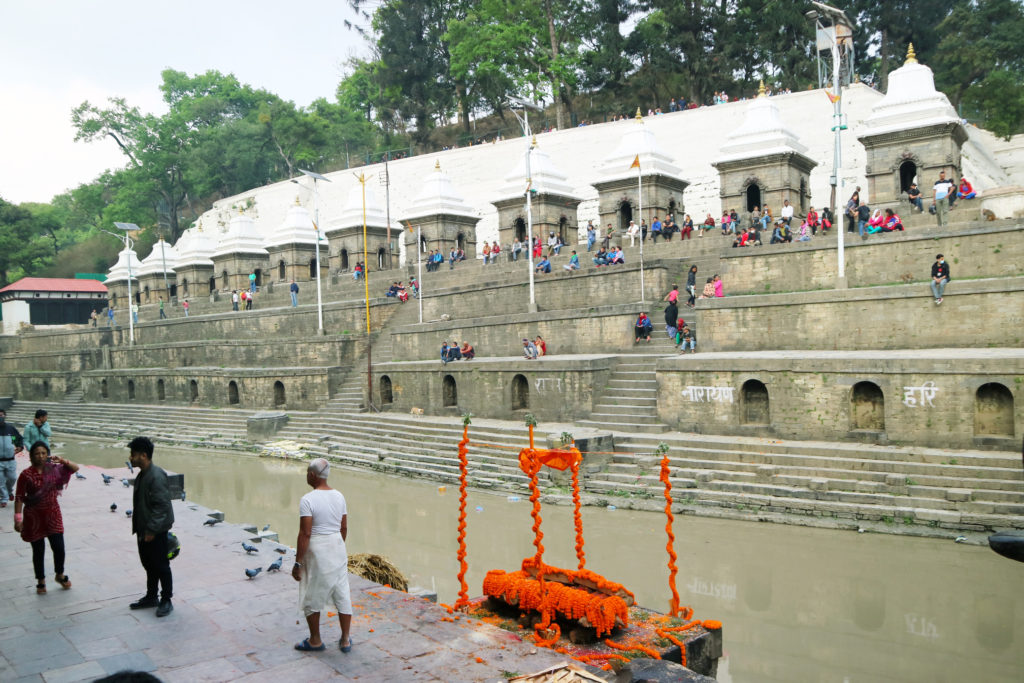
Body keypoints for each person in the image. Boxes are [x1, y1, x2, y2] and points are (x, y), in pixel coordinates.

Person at [292, 458, 353, 653]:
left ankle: (316, 640)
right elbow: (343, 527)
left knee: (312, 593)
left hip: (318, 548)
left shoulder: (308, 499)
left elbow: (305, 533)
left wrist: (298, 563)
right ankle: (345, 639)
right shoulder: (340, 496)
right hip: (337, 545)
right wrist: (337, 546)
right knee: (342, 592)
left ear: (312, 475)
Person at [14, 441, 79, 594]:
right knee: (38, 550)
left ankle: (59, 574)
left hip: (53, 514)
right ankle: (41, 580)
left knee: (59, 548)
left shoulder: (53, 469)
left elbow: (75, 468)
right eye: (37, 453)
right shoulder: (26, 475)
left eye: (44, 453)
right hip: (33, 517)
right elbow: (19, 497)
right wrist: (18, 518)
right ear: (31, 456)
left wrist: (62, 460)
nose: (41, 456)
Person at [128, 436, 175, 617]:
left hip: (156, 531)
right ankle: (151, 595)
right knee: (149, 564)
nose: (131, 458)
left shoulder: (156, 476)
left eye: (133, 454)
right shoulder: (142, 475)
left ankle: (166, 599)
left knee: (161, 565)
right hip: (144, 529)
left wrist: (152, 530)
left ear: (144, 455)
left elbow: (162, 506)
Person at [0, 408, 24, 508]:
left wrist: (19, 446)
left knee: (12, 478)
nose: (0, 417)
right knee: (0, 481)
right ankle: (4, 498)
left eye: (1, 415)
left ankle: (9, 491)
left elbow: (16, 438)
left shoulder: (10, 429)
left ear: (5, 416)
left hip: (10, 460)